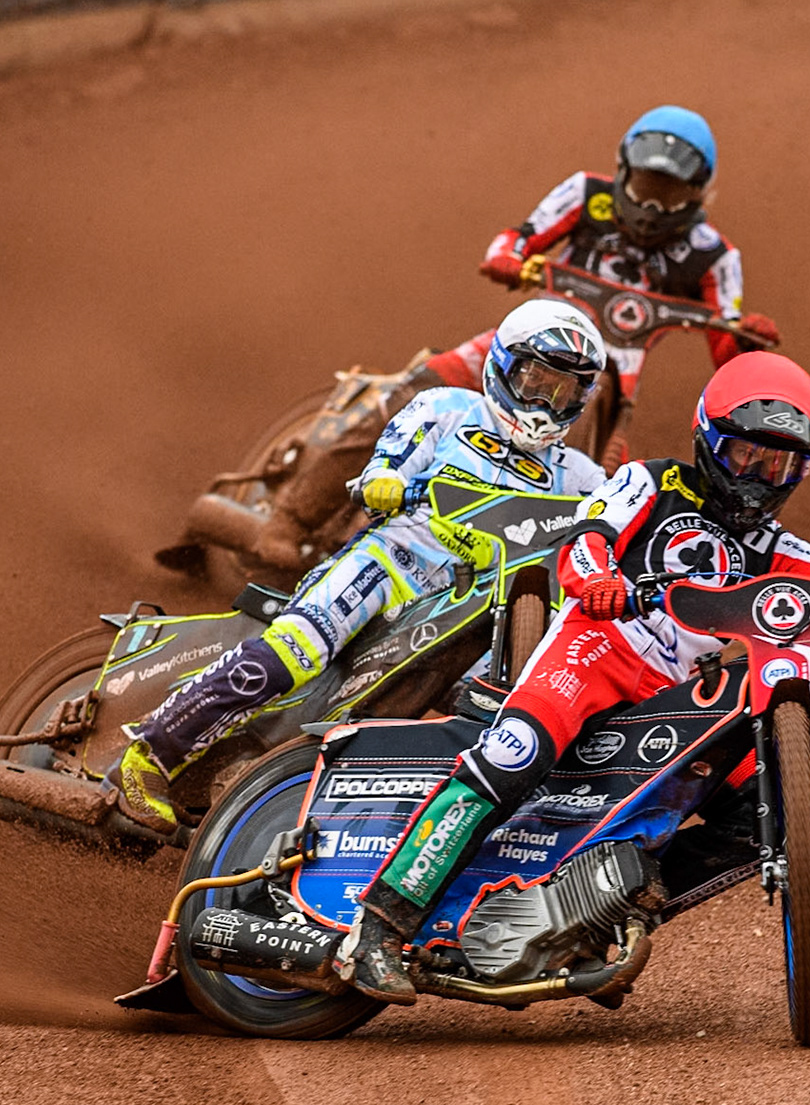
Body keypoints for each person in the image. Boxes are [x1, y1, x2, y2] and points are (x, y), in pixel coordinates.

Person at [338, 352, 810, 1002]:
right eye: (745, 456)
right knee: (514, 754)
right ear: (708, 439)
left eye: (778, 465)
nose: (758, 478)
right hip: (594, 648)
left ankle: (598, 914)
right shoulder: (650, 481)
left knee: (764, 814)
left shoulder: (775, 547)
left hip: (670, 694)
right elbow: (588, 536)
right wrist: (599, 582)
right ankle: (379, 929)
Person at [104, 300, 612, 832]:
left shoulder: (580, 476)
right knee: (294, 652)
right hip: (389, 564)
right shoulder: (446, 409)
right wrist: (385, 481)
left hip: (476, 606)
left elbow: (609, 530)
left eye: (564, 391)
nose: (546, 402)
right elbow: (382, 468)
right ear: (503, 367)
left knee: (495, 714)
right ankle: (149, 756)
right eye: (536, 381)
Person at [413, 105, 782, 463]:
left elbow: (728, 346)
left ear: (698, 193)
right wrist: (507, 259)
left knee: (612, 483)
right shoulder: (586, 193)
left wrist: (746, 342)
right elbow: (520, 236)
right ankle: (378, 435)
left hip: (616, 374)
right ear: (623, 171)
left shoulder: (714, 255)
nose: (651, 207)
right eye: (644, 187)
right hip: (534, 334)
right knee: (428, 384)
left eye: (669, 195)